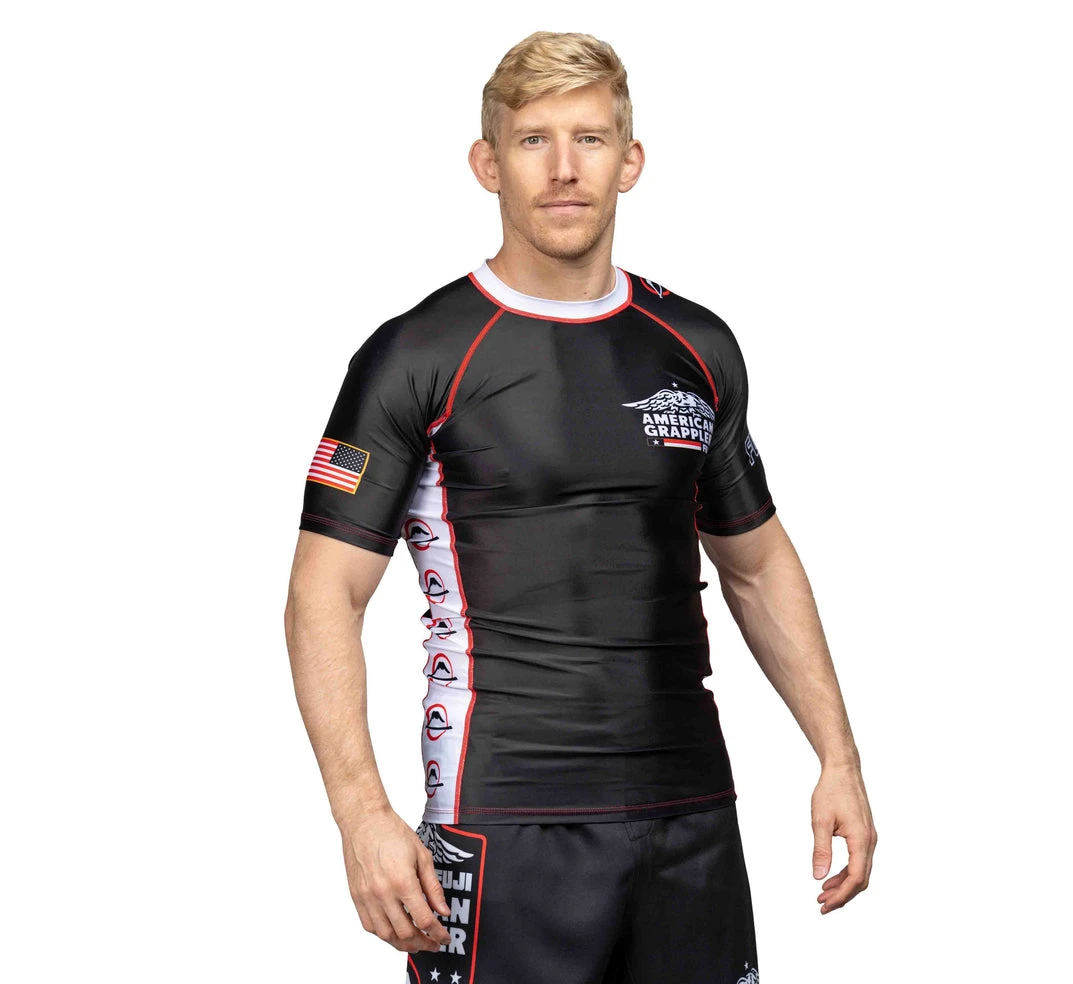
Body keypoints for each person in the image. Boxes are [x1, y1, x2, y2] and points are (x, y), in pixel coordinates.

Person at [284, 30, 876, 984]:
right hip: (505, 819)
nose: (564, 169)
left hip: (691, 813)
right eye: (534, 141)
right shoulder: (418, 355)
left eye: (590, 139)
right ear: (488, 164)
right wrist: (361, 816)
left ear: (630, 161)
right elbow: (324, 593)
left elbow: (758, 565)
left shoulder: (695, 345)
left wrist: (836, 757)